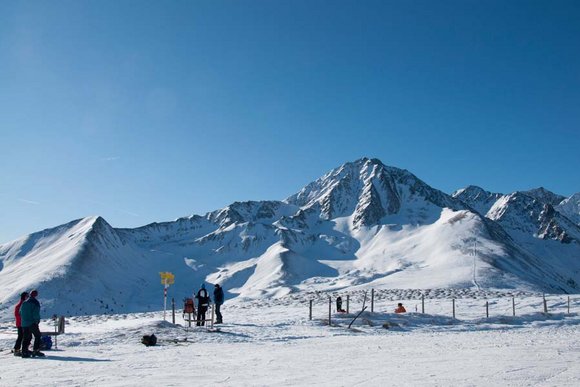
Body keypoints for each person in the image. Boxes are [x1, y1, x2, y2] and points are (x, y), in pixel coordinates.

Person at [20, 289, 44, 357]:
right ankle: (36, 350)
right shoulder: (35, 303)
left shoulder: (24, 303)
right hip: (32, 323)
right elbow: (35, 313)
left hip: (24, 323)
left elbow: (20, 312)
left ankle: (24, 351)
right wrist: (37, 320)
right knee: (38, 335)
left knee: (26, 337)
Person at [13, 292, 29, 356]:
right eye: (27, 296)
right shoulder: (21, 305)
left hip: (22, 323)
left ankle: (23, 349)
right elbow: (17, 314)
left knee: (24, 336)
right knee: (21, 336)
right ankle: (17, 349)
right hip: (21, 324)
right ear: (24, 297)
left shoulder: (22, 304)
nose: (28, 297)